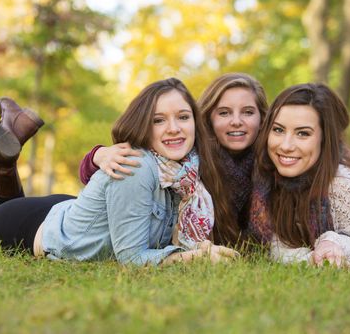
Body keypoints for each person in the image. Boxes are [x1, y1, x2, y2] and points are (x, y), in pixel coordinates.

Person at [0, 78, 239, 266]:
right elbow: (131, 259)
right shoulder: (135, 167)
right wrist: (192, 258)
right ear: (144, 125)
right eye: (159, 120)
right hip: (29, 228)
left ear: (194, 123)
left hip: (66, 213)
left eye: (183, 117)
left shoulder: (185, 170)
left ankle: (9, 143)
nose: (174, 128)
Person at [78, 73, 268, 246]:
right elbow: (101, 177)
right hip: (80, 222)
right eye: (224, 112)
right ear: (208, 118)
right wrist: (98, 155)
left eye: (248, 112)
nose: (236, 121)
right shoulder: (188, 154)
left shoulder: (273, 160)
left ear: (262, 118)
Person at [248, 83, 350, 267]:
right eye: (278, 130)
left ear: (325, 139)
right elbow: (277, 248)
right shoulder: (264, 176)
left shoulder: (348, 186)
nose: (285, 145)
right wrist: (311, 259)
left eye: (302, 133)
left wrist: (333, 241)